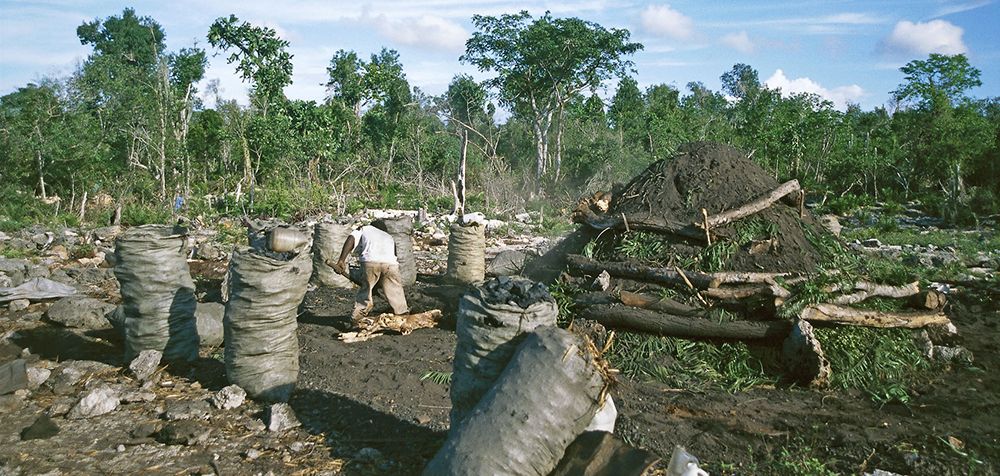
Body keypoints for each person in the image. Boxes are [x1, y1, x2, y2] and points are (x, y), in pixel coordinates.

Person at [329, 220, 409, 327]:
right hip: (391, 265)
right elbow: (393, 256)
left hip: (371, 262)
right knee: (396, 291)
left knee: (365, 291)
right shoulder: (389, 236)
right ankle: (402, 316)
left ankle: (357, 319)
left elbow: (351, 238)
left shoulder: (365, 228)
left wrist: (341, 260)